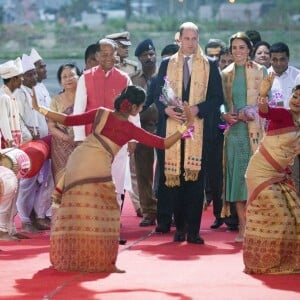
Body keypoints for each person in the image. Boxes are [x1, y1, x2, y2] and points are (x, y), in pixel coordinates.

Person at [31, 85, 194, 273]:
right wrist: (186, 124)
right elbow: (163, 143)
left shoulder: (101, 113)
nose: (140, 110)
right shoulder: (130, 128)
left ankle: (69, 257)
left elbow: (67, 120)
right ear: (134, 108)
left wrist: (40, 108)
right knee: (107, 211)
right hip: (97, 166)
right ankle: (102, 262)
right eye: (141, 107)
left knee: (76, 209)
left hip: (77, 160)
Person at [154, 22, 224, 244]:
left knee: (194, 181)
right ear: (179, 39)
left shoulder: (209, 65)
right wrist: (165, 110)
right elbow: (157, 94)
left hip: (198, 130)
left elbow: (217, 98)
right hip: (173, 128)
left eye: (195, 39)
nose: (191, 43)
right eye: (187, 39)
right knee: (174, 181)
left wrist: (196, 109)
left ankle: (193, 230)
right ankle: (179, 227)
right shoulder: (167, 63)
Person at [73, 38, 135, 244]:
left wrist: (134, 137)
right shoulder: (86, 78)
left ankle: (112, 229)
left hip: (118, 142)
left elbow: (132, 110)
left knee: (116, 186)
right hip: (93, 142)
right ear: (97, 56)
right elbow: (79, 109)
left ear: (117, 55)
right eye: (104, 54)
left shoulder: (125, 78)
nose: (109, 58)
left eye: (112, 54)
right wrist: (79, 138)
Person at [243, 73, 300, 274]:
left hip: (279, 174)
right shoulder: (283, 114)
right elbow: (264, 112)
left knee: (295, 215)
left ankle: (287, 260)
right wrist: (263, 93)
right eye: (295, 97)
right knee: (282, 214)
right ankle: (264, 262)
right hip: (259, 172)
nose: (297, 102)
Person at [221, 32, 267, 243]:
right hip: (234, 133)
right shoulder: (226, 73)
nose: (238, 51)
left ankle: (257, 226)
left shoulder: (260, 71)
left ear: (249, 49)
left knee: (254, 179)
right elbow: (221, 101)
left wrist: (247, 112)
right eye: (234, 48)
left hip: (254, 131)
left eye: (242, 47)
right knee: (237, 179)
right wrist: (224, 114)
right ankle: (242, 226)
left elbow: (267, 104)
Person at [15, 54, 51, 233]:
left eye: (33, 74)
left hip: (43, 143)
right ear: (21, 77)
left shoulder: (36, 90)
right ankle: (24, 219)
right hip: (29, 145)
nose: (33, 77)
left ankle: (34, 215)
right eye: (28, 75)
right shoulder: (19, 94)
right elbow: (18, 120)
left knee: (40, 182)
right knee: (27, 183)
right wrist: (29, 135)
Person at [130, 38, 158, 227]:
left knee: (165, 172)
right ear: (139, 58)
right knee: (143, 172)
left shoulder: (165, 75)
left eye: (151, 54)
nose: (149, 58)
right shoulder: (133, 80)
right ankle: (148, 211)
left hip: (165, 127)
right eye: (145, 55)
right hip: (143, 129)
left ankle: (167, 210)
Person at [268, 42, 300, 192]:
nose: (278, 63)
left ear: (288, 59)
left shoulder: (297, 76)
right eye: (275, 59)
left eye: (282, 59)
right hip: (272, 134)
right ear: (270, 59)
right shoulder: (265, 76)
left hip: (295, 132)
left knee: (294, 175)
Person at [0, 58, 24, 240]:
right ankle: (2, 230)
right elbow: (3, 124)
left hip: (12, 148)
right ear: (13, 79)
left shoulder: (11, 97)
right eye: (20, 77)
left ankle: (11, 229)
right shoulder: (3, 98)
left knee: (14, 187)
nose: (22, 80)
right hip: (5, 150)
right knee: (7, 188)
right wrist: (9, 144)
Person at [48, 63, 81, 186]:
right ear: (61, 81)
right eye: (64, 77)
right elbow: (51, 126)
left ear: (79, 77)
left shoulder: (86, 98)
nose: (68, 79)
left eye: (72, 75)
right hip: (61, 146)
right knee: (62, 184)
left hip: (81, 144)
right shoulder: (56, 101)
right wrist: (66, 138)